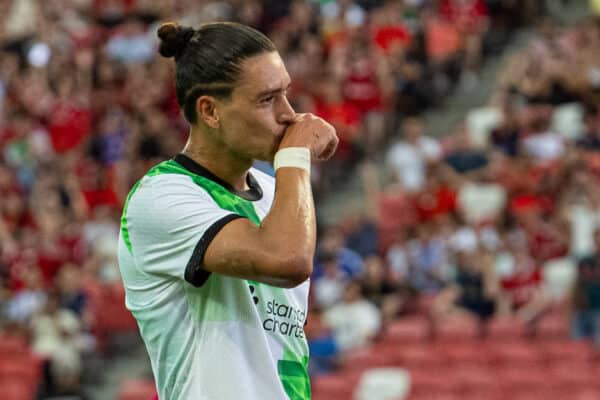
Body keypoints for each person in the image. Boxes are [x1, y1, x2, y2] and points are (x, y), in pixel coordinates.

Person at [117, 22, 338, 400]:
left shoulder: (275, 190)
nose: (289, 114)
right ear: (210, 111)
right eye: (267, 99)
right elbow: (287, 259)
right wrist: (295, 158)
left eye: (286, 93)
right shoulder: (160, 198)